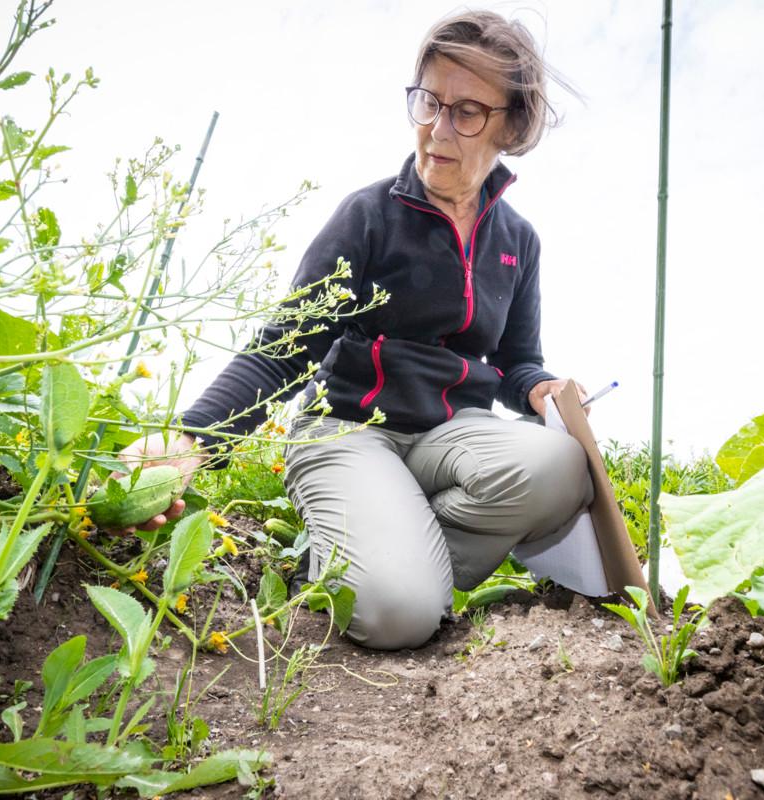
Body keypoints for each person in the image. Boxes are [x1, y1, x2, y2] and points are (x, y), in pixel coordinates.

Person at [119, 10, 593, 650]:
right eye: (429, 101)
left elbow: (515, 363)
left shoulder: (518, 241)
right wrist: (191, 441)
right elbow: (282, 350)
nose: (436, 128)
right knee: (398, 617)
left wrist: (541, 391)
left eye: (467, 112)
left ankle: (390, 551)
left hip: (451, 435)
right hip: (349, 430)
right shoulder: (370, 216)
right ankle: (356, 562)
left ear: (510, 124)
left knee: (562, 465)